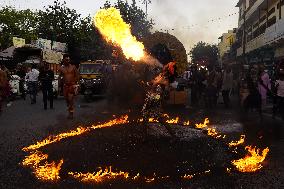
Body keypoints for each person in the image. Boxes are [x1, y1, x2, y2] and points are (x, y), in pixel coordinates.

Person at [59, 54, 79, 119]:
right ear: (63, 60)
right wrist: (59, 86)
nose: (68, 61)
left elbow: (77, 76)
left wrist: (75, 84)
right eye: (66, 59)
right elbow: (60, 77)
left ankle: (71, 113)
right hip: (65, 86)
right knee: (67, 100)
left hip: (72, 86)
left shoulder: (73, 67)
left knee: (70, 100)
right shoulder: (61, 68)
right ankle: (69, 107)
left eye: (68, 59)